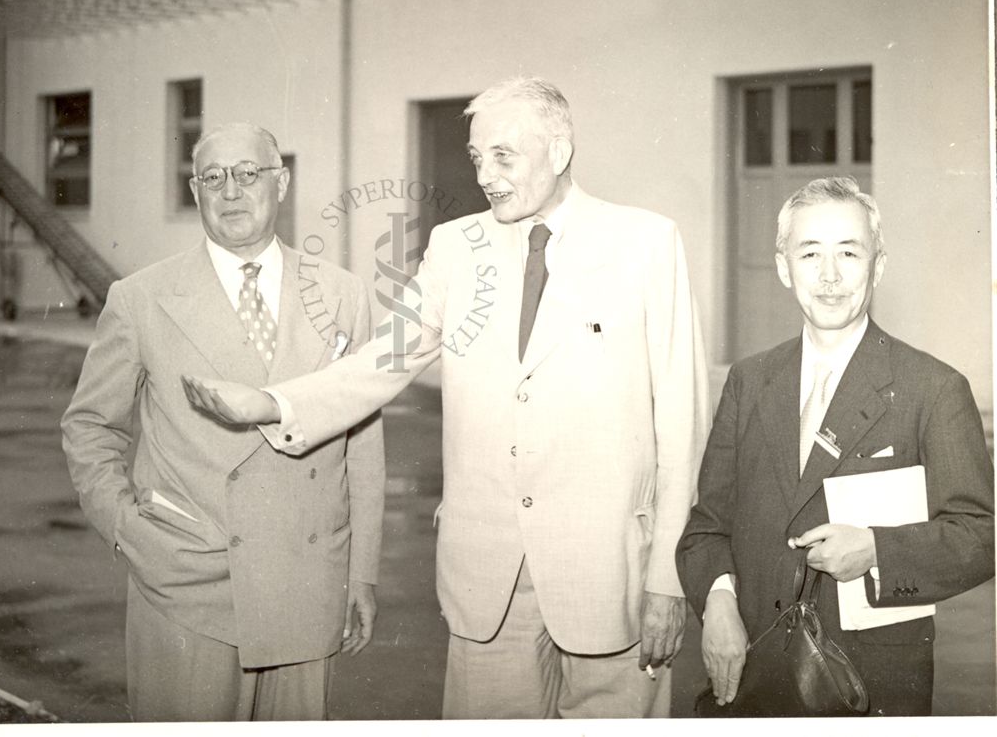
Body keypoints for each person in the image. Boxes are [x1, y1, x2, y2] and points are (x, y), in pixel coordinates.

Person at [184, 77, 709, 718]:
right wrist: (273, 404)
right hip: (486, 576)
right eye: (477, 157)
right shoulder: (457, 247)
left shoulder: (645, 244)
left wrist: (666, 579)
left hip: (611, 577)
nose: (485, 174)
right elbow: (382, 361)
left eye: (504, 157)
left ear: (560, 151)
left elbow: (682, 425)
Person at [61, 123, 384, 722]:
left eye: (247, 174)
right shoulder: (140, 298)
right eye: (213, 178)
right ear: (194, 190)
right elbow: (90, 428)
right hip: (187, 584)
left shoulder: (343, 295)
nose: (231, 191)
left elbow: (362, 445)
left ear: (281, 182)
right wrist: (128, 529)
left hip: (308, 586)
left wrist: (361, 572)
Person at [676, 176, 995, 716]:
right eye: (809, 253)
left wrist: (877, 549)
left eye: (848, 252)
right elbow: (707, 528)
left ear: (879, 265)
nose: (829, 276)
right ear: (783, 268)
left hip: (868, 685)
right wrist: (720, 601)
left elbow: (981, 537)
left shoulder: (933, 388)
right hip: (752, 673)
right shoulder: (749, 381)